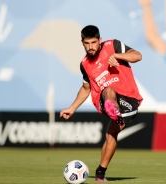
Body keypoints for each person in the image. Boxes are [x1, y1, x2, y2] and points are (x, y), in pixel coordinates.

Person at [60, 25, 143, 182]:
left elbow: (137, 56)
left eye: (93, 42)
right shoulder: (84, 64)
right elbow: (86, 88)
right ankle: (113, 110)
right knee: (107, 89)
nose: (91, 47)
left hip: (130, 100)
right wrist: (72, 108)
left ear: (100, 40)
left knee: (110, 134)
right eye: (87, 43)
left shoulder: (113, 45)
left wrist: (119, 56)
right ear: (82, 42)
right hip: (105, 99)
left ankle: (100, 173)